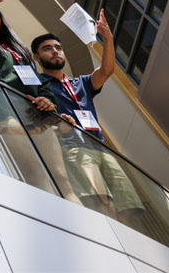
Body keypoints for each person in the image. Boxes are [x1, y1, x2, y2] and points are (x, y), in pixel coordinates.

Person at [0, 0, 78, 202]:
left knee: (62, 179)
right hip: (5, 114)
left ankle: (81, 229)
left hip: (35, 115)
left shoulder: (18, 50)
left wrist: (48, 101)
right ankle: (54, 225)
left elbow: (40, 82)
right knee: (34, 174)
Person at [32, 11, 145, 226]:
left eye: (58, 47)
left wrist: (108, 38)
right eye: (47, 49)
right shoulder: (39, 85)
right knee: (101, 204)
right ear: (37, 58)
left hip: (102, 148)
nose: (55, 52)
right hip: (72, 146)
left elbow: (107, 70)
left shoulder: (80, 83)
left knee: (131, 208)